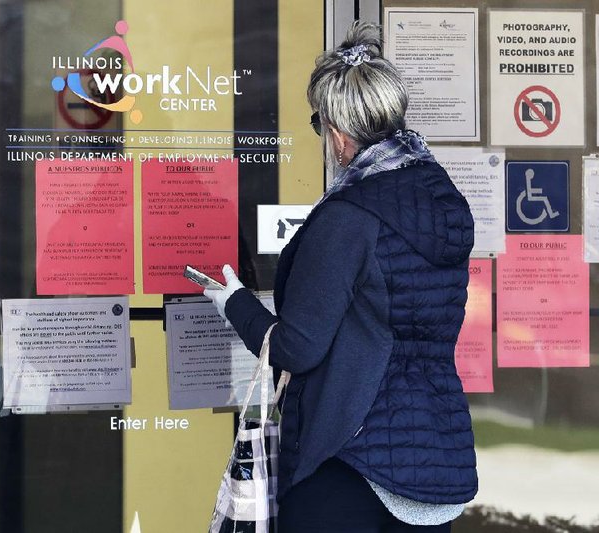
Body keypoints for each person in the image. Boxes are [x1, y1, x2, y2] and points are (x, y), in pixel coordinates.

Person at [205, 21, 478, 533]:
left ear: (337, 132)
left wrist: (233, 302)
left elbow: (296, 348)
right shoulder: (446, 203)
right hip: (436, 452)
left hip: (350, 455)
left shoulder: (349, 217)